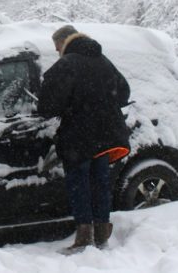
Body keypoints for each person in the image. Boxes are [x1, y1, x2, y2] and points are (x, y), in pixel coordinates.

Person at [37, 25, 131, 253]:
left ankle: (84, 237)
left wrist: (73, 107)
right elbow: (124, 92)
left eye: (57, 45)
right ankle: (101, 234)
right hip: (105, 135)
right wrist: (102, 105)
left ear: (64, 42)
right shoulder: (103, 61)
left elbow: (47, 106)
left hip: (79, 136)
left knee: (79, 184)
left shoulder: (67, 64)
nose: (56, 50)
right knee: (99, 182)